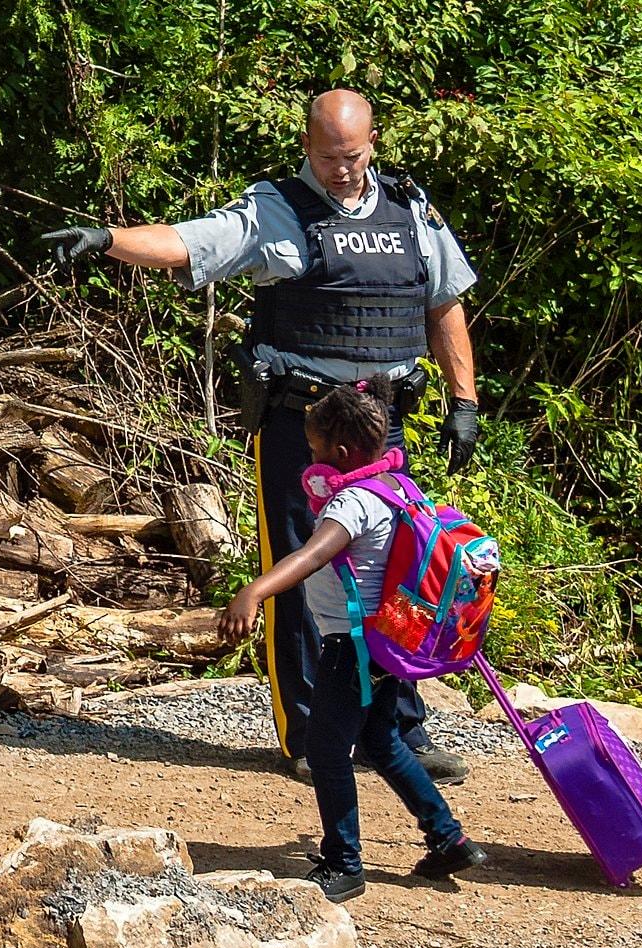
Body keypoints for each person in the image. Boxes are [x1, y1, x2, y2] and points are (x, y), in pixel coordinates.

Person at [41, 88, 479, 785]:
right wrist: (108, 240)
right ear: (306, 146)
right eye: (329, 156)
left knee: (396, 572)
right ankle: (309, 737)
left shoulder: (410, 210)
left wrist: (464, 402)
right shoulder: (277, 209)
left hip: (384, 423)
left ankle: (397, 730)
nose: (342, 169)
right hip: (302, 424)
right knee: (304, 574)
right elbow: (191, 240)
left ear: (374, 144)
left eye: (354, 155)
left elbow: (443, 302)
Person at [218, 375, 486, 902]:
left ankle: (344, 862)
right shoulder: (397, 486)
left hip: (354, 647)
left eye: (315, 449)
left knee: (325, 749)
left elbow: (311, 555)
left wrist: (253, 592)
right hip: (387, 643)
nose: (310, 458)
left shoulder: (351, 504)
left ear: (338, 452)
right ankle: (448, 838)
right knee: (383, 741)